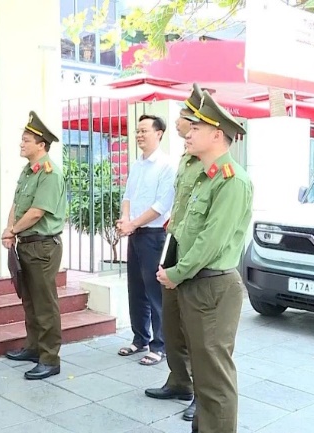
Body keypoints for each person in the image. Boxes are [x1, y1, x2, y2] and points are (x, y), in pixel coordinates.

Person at [156, 91, 253, 433]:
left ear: (216, 135)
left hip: (211, 284)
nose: (188, 132)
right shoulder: (205, 176)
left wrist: (176, 273)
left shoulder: (231, 180)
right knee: (202, 368)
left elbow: (211, 242)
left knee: (214, 378)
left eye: (196, 128)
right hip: (196, 282)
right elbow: (184, 227)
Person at [145, 84, 205, 422]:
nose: (178, 121)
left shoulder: (206, 162)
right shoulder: (186, 157)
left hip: (193, 254)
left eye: (183, 116)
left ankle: (200, 392)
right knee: (172, 321)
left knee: (194, 328)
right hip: (174, 246)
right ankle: (179, 380)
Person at [2, 111, 66, 380]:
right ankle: (33, 347)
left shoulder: (50, 173)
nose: (21, 144)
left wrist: (13, 230)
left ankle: (50, 358)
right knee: (29, 300)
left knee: (44, 303)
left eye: (26, 140)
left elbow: (37, 211)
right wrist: (10, 230)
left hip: (43, 247)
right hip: (26, 243)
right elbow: (17, 205)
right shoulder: (28, 171)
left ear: (41, 145)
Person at [116, 114, 176, 366]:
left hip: (154, 235)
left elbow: (161, 206)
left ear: (159, 133)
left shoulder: (167, 165)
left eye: (144, 131)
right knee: (136, 289)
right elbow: (128, 196)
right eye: (137, 131)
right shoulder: (137, 164)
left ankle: (159, 345)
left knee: (154, 291)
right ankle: (140, 338)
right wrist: (124, 219)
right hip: (135, 234)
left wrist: (132, 223)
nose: (139, 135)